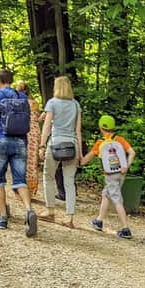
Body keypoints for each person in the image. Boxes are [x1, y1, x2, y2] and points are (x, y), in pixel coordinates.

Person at [0, 68, 37, 236]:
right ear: (11, 80)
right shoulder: (22, 97)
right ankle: (29, 210)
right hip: (20, 141)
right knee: (19, 180)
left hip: (0, 140)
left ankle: (3, 218)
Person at [80, 115, 136, 239]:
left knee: (117, 200)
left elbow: (86, 160)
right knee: (106, 194)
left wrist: (80, 160)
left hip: (110, 175)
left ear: (101, 127)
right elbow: (132, 152)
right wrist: (126, 165)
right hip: (121, 173)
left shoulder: (100, 143)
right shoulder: (120, 140)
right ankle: (99, 221)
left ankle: (125, 229)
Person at [37, 76, 82, 228]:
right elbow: (78, 131)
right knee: (69, 182)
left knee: (48, 176)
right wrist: (80, 152)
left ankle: (50, 211)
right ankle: (69, 218)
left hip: (55, 143)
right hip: (72, 145)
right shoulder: (76, 105)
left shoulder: (52, 103)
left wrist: (42, 146)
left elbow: (47, 126)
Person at [15, 81, 41, 197]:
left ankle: (20, 190)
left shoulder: (18, 103)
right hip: (34, 133)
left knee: (20, 161)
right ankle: (30, 190)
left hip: (23, 132)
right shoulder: (35, 103)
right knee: (32, 162)